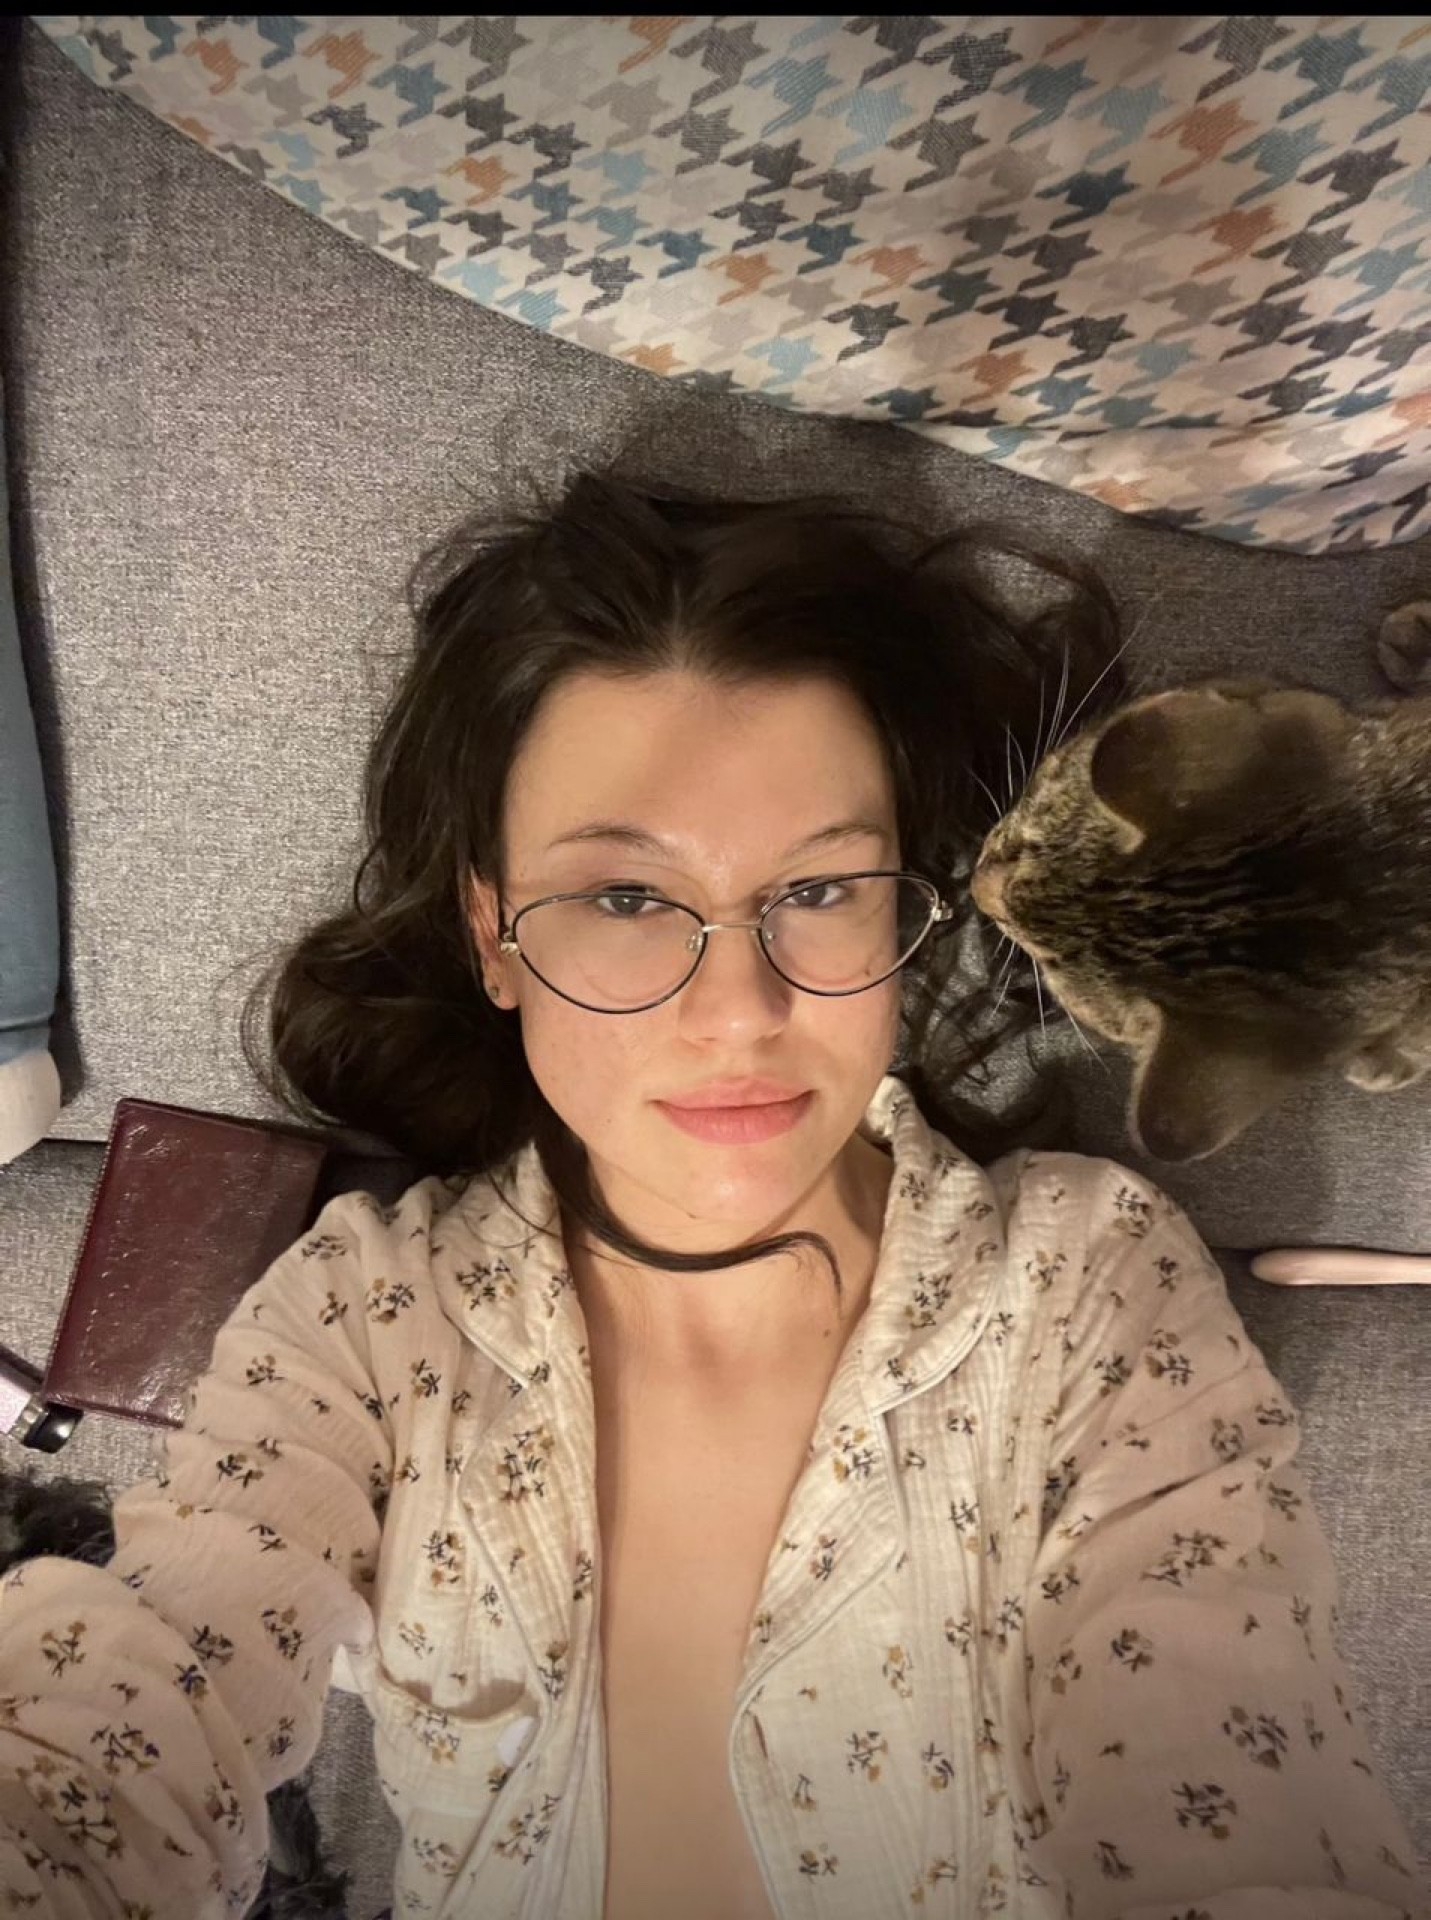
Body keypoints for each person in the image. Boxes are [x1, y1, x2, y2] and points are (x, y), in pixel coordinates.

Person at [0, 471, 1424, 1920]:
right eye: (626, 899)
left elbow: (1236, 1787)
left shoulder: (1084, 1290)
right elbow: (131, 1717)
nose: (741, 1012)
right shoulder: (365, 1320)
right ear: (493, 935)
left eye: (820, 890)